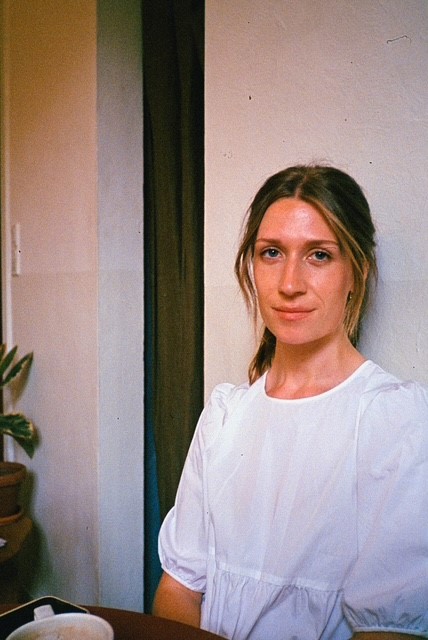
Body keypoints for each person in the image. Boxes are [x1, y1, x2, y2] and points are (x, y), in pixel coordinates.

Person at [153, 165, 428, 640]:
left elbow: (388, 630)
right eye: (272, 253)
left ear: (357, 272)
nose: (289, 283)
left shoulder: (394, 421)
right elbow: (178, 589)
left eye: (319, 255)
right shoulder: (224, 417)